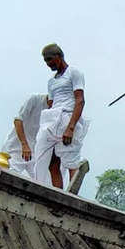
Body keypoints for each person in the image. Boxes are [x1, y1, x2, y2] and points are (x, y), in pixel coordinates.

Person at [34, 44, 90, 188]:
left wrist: (70, 128)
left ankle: (72, 194)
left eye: (50, 59)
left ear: (59, 56)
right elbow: (52, 104)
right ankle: (54, 192)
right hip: (52, 119)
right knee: (51, 160)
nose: (48, 64)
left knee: (71, 159)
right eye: (46, 61)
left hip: (68, 117)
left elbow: (80, 100)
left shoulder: (74, 72)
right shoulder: (51, 81)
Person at [0, 93, 51, 180]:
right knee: (6, 176)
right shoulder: (35, 99)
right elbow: (18, 121)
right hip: (16, 148)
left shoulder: (56, 109)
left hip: (35, 152)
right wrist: (24, 145)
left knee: (45, 182)